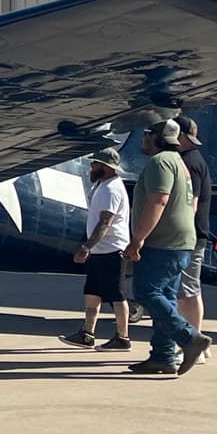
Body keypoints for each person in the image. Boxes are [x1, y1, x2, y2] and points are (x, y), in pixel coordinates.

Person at [123, 118, 212, 375]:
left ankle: (189, 338)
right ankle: (163, 356)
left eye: (147, 134)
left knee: (146, 291)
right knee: (168, 298)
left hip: (162, 242)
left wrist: (137, 238)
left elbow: (158, 201)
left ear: (158, 139)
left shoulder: (160, 162)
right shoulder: (180, 163)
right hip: (181, 242)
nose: (143, 139)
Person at [58, 147, 131, 351]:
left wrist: (86, 247)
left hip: (112, 249)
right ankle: (87, 334)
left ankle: (122, 338)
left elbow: (104, 222)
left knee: (116, 294)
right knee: (92, 292)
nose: (92, 166)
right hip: (101, 250)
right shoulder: (103, 185)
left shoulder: (111, 189)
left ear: (106, 167)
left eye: (95, 163)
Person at [175, 114, 212, 363]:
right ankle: (197, 340)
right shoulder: (195, 159)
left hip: (190, 236)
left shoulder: (188, 162)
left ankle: (194, 342)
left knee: (186, 291)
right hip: (194, 234)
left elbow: (192, 203)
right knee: (189, 289)